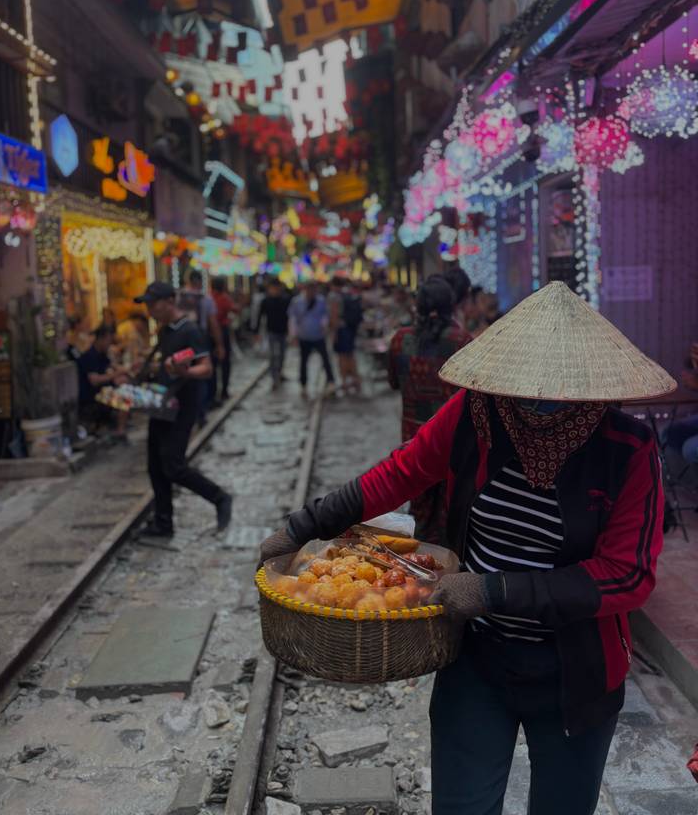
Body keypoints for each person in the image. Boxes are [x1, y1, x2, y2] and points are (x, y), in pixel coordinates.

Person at [260, 281, 675, 815]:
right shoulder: (476, 415)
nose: (534, 401)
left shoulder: (628, 449)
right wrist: (303, 526)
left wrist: (492, 590)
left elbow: (626, 576)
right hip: (478, 660)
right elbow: (400, 472)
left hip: (577, 673)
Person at [134, 281, 232, 538]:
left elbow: (206, 368)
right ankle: (163, 523)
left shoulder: (190, 330)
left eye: (153, 303)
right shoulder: (166, 330)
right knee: (155, 465)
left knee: (173, 466)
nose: (149, 309)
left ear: (169, 301)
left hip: (183, 405)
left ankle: (219, 497)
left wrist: (184, 370)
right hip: (163, 403)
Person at [388, 276, 472, 543]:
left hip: (414, 439)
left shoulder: (401, 340)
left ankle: (419, 569)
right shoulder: (462, 340)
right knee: (451, 510)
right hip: (453, 440)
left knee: (420, 511)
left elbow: (393, 381)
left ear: (418, 306)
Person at [178, 270, 223, 416]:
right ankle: (201, 409)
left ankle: (189, 407)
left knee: (184, 371)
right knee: (203, 372)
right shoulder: (206, 299)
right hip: (201, 340)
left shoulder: (179, 297)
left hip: (182, 342)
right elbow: (213, 323)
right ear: (200, 282)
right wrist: (219, 344)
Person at [77, 325, 129, 442]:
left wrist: (122, 372)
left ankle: (119, 428)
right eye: (109, 341)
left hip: (102, 392)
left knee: (125, 388)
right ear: (101, 339)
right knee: (123, 398)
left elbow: (112, 368)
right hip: (92, 397)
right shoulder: (89, 356)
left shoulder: (102, 355)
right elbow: (95, 380)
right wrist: (115, 375)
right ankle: (120, 430)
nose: (110, 344)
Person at [289, 280, 336, 399]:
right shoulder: (297, 301)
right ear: (305, 289)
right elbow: (293, 319)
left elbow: (325, 315)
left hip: (318, 336)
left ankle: (331, 382)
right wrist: (293, 334)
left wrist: (324, 326)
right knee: (303, 362)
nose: (312, 292)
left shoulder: (321, 301)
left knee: (325, 359)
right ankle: (303, 385)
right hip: (304, 336)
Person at [329, 276, 363, 395]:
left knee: (342, 357)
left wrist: (333, 333)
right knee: (350, 355)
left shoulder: (334, 296)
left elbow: (334, 316)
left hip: (341, 329)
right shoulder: (347, 293)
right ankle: (355, 380)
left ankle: (344, 381)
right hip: (350, 328)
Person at [256, 278, 291, 391]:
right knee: (272, 355)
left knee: (282, 354)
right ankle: (274, 377)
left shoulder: (285, 299)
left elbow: (290, 316)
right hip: (271, 331)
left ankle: (280, 372)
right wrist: (256, 332)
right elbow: (260, 316)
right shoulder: (266, 301)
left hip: (283, 331)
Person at [211, 277, 237, 402]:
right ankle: (224, 391)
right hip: (222, 331)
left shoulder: (208, 297)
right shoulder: (224, 298)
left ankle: (213, 393)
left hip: (209, 334)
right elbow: (235, 309)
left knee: (213, 364)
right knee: (225, 363)